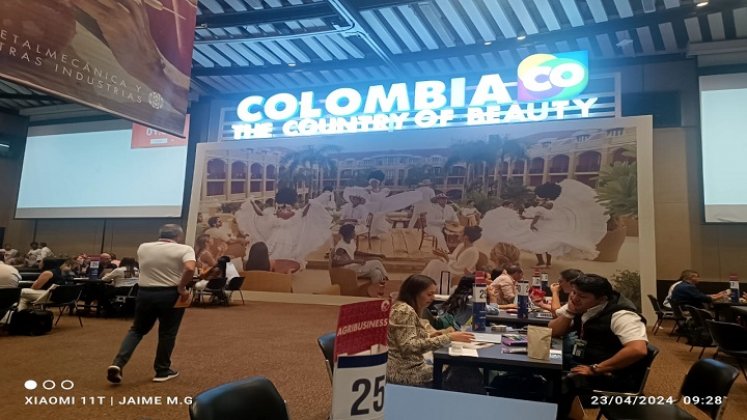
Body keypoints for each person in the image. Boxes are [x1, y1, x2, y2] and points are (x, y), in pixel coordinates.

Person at [549, 274, 649, 419]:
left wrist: (597, 368)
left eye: (582, 296)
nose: (575, 298)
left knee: (554, 388)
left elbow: (637, 350)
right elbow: (554, 331)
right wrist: (570, 312)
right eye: (574, 292)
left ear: (601, 298)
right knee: (544, 375)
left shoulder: (622, 315)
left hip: (611, 376)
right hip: (582, 364)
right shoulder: (580, 304)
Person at [107, 224, 195, 384]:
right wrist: (182, 287)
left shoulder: (143, 247)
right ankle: (162, 370)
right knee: (167, 333)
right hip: (170, 294)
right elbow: (190, 268)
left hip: (145, 293)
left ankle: (117, 364)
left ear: (160, 234)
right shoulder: (185, 249)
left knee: (137, 330)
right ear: (179, 236)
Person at [387, 274, 473, 386]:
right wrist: (448, 337)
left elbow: (406, 339)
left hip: (405, 367)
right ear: (415, 293)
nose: (433, 298)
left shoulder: (402, 308)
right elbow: (408, 346)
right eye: (429, 294)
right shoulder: (405, 311)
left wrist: (431, 336)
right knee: (464, 370)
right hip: (406, 372)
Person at [234, 188, 332, 265]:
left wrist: (252, 203)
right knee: (286, 255)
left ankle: (275, 269)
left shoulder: (276, 213)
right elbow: (303, 213)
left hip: (276, 236)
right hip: (289, 237)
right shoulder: (293, 214)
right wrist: (310, 204)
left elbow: (260, 214)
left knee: (273, 254)